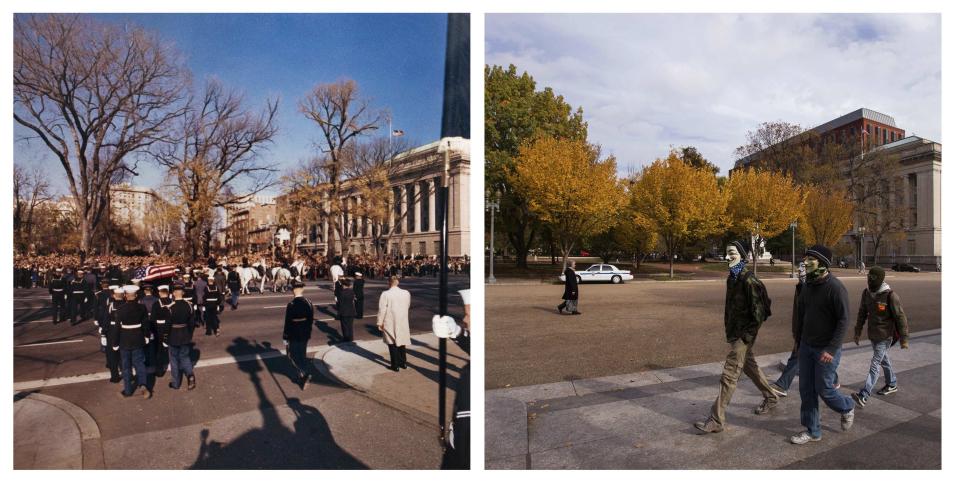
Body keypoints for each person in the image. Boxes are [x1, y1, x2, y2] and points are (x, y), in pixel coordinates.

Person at [695, 240, 779, 434]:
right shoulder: (732, 279)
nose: (728, 257)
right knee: (751, 368)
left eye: (732, 253)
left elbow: (759, 314)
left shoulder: (749, 280)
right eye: (727, 253)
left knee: (729, 374)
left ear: (742, 256)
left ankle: (716, 419)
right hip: (735, 334)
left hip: (743, 336)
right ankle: (771, 397)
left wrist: (746, 337)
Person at [791, 245, 855, 445]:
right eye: (805, 258)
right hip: (806, 346)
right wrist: (798, 342)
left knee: (825, 389)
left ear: (823, 263)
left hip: (826, 350)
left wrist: (831, 349)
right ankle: (812, 431)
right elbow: (801, 316)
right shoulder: (808, 286)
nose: (806, 262)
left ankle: (847, 406)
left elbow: (844, 321)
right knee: (806, 390)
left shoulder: (835, 288)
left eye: (811, 259)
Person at [851, 266, 909, 408]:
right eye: (869, 277)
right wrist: (857, 331)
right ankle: (892, 383)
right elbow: (862, 313)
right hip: (873, 335)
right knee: (884, 360)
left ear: (880, 279)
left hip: (885, 336)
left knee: (875, 364)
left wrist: (904, 338)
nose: (870, 281)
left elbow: (900, 317)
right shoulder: (866, 293)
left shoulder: (890, 296)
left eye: (873, 278)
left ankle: (864, 395)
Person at [112, 285, 152, 399]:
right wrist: (146, 336)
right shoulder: (142, 308)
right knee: (139, 363)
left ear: (125, 295)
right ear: (136, 295)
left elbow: (117, 328)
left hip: (125, 339)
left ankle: (128, 390)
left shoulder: (120, 309)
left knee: (126, 366)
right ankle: (143, 385)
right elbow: (145, 324)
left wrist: (115, 343)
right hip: (138, 338)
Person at [160, 284, 197, 390]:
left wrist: (165, 337)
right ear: (183, 293)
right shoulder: (189, 306)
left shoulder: (170, 307)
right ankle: (190, 375)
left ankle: (176, 383)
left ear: (173, 294)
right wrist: (189, 334)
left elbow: (167, 325)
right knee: (185, 358)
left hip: (173, 335)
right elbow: (192, 323)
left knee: (174, 360)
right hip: (185, 334)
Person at [283, 279, 314, 390]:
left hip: (294, 333)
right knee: (302, 354)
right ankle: (301, 376)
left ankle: (304, 374)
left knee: (293, 356)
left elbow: (288, 322)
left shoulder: (291, 304)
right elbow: (311, 320)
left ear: (293, 290)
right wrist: (308, 332)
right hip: (305, 333)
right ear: (303, 289)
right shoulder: (308, 302)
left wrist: (285, 337)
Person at [377, 275, 411, 371]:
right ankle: (403, 363)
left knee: (392, 343)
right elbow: (407, 305)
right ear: (398, 282)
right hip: (402, 320)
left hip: (390, 320)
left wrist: (380, 322)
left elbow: (382, 309)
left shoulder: (385, 294)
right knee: (401, 342)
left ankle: (395, 365)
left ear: (389, 283)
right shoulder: (406, 293)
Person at [95, 282, 121, 383]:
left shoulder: (110, 304)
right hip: (122, 330)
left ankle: (114, 375)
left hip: (111, 329)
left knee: (111, 353)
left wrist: (103, 331)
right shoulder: (124, 303)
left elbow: (105, 317)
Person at [151, 285, 173, 378]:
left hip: (159, 328)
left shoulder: (156, 304)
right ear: (167, 293)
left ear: (160, 293)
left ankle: (160, 371)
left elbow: (152, 318)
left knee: (159, 350)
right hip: (172, 327)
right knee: (172, 348)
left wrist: (153, 330)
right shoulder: (172, 302)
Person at [338, 277, 357, 343]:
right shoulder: (352, 292)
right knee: (350, 326)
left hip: (344, 312)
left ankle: (346, 339)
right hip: (351, 311)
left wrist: (339, 313)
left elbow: (340, 304)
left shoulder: (342, 293)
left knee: (345, 327)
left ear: (344, 285)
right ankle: (351, 338)